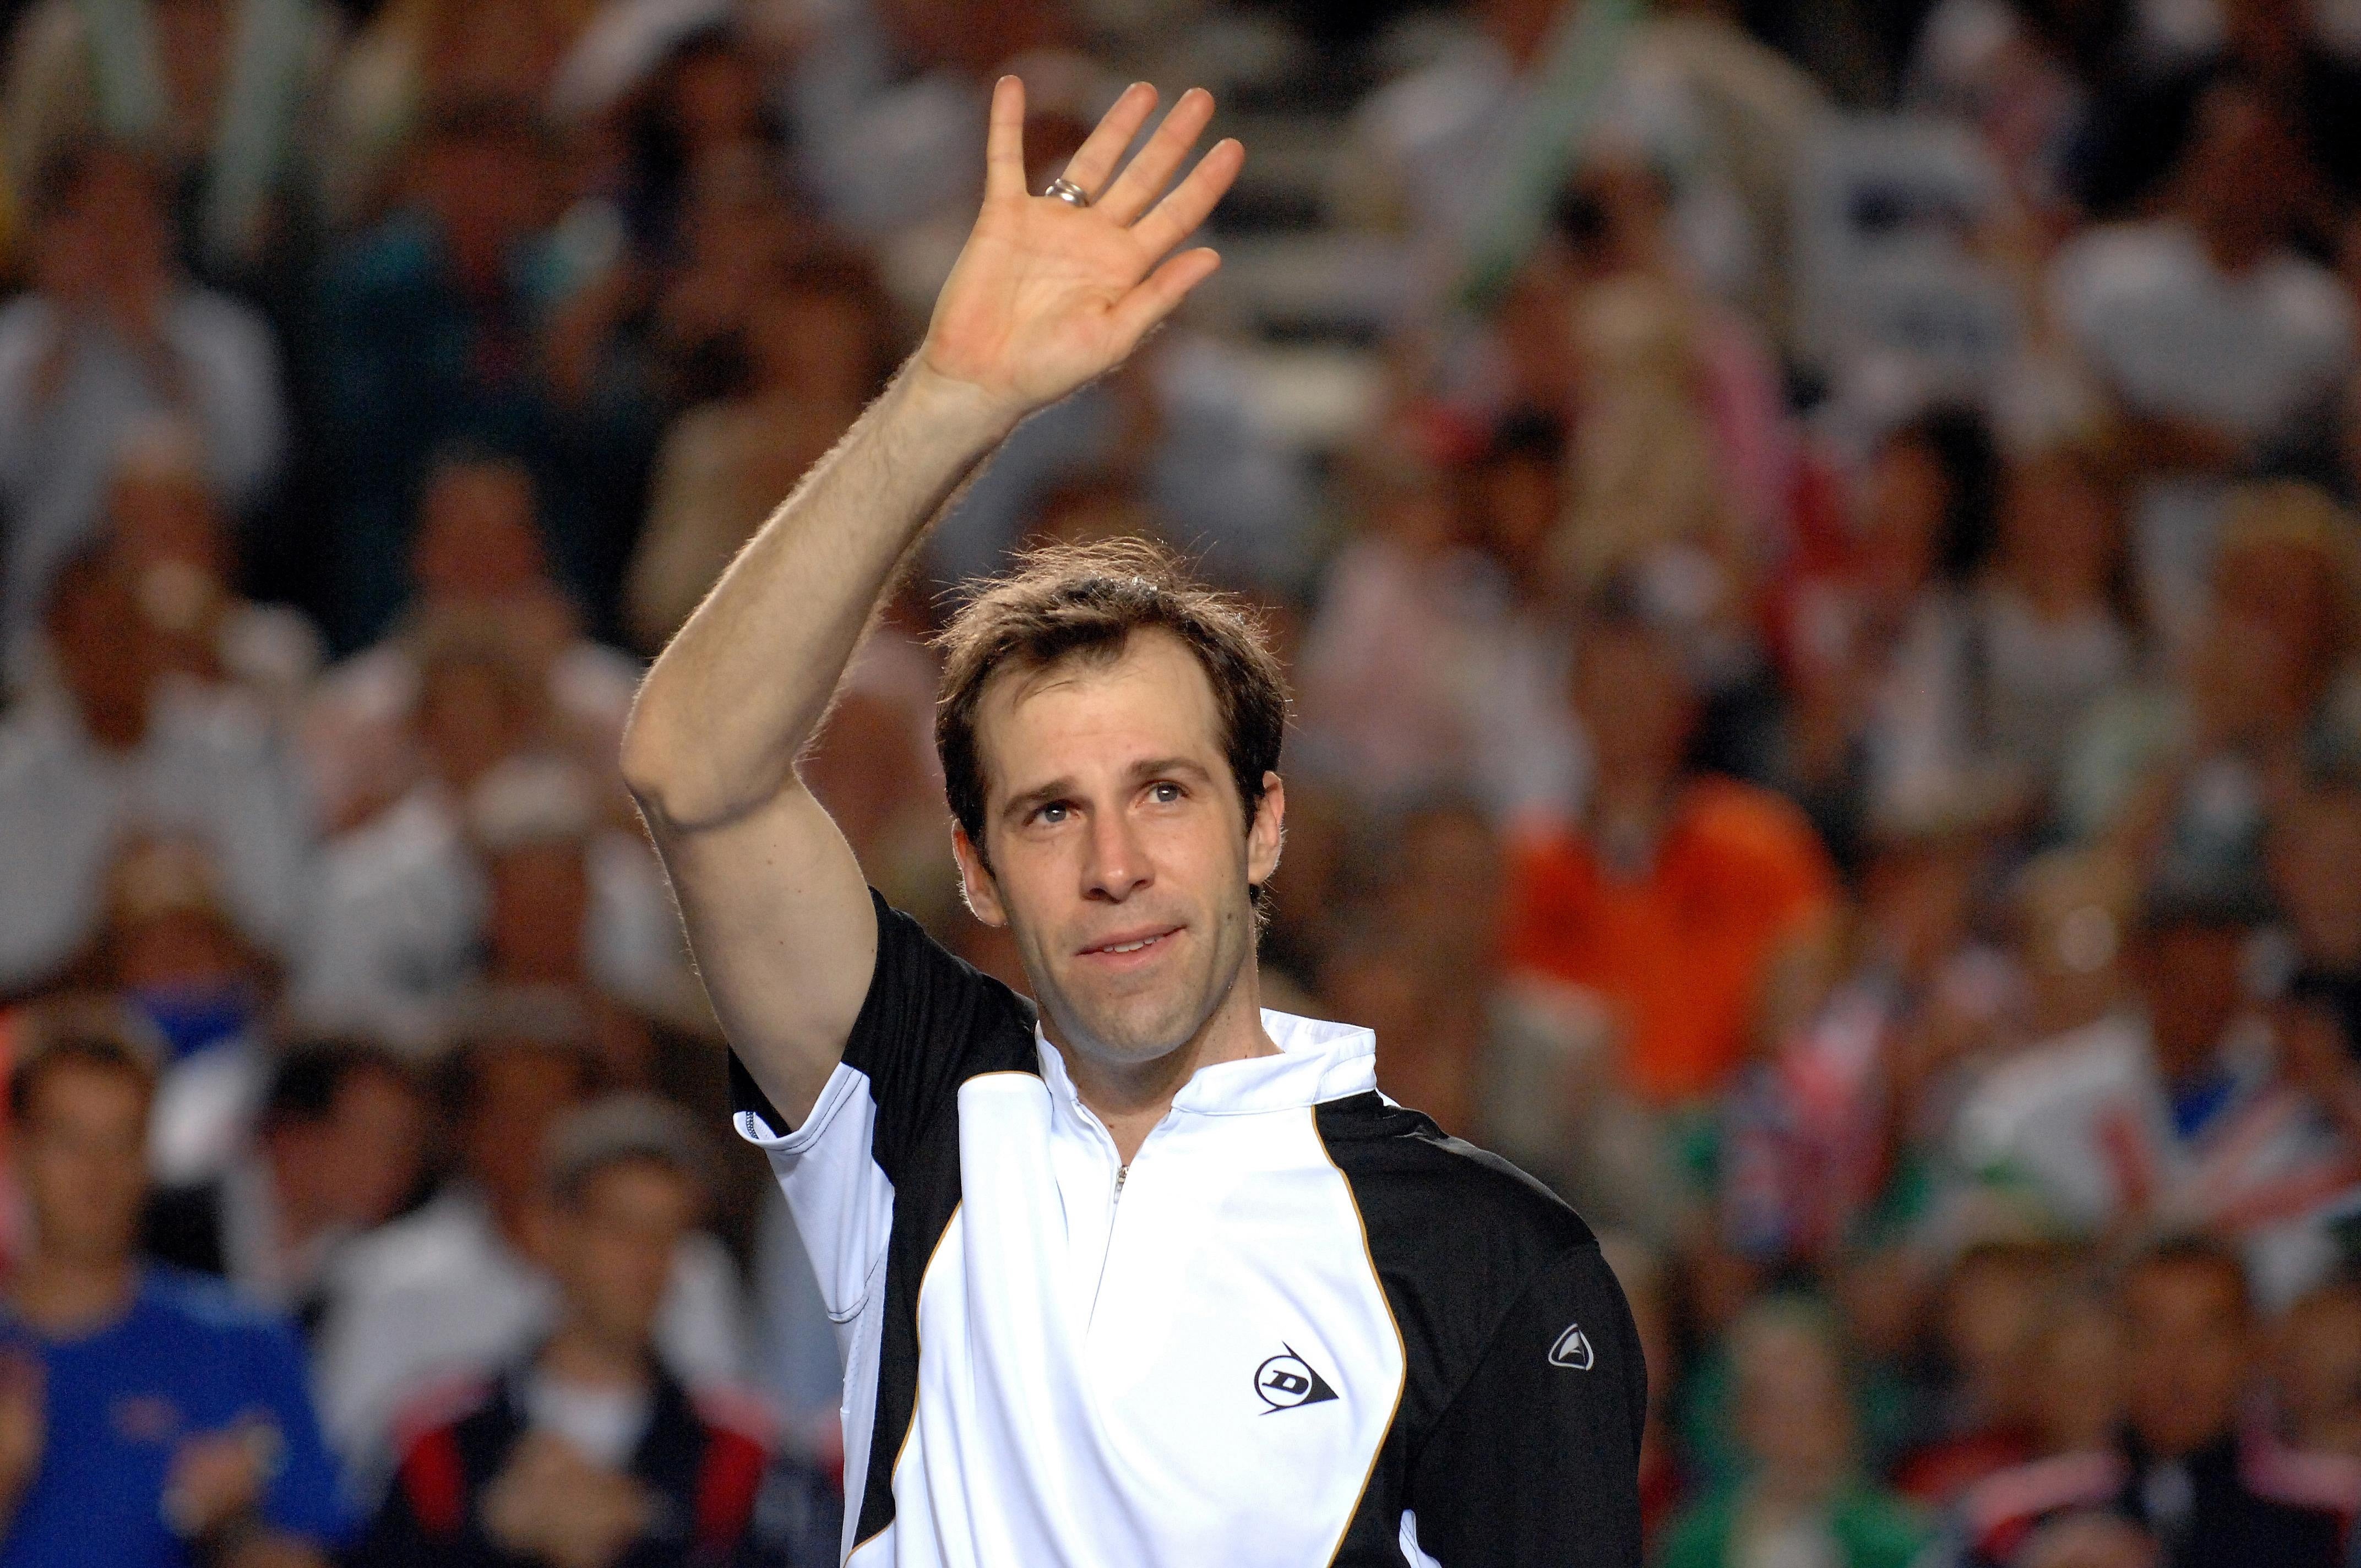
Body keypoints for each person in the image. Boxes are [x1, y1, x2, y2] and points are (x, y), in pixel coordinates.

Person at [622, 75, 1647, 1567]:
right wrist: (949, 402)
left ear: (1264, 830)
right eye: (1049, 813)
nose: (1113, 866)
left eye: (1164, 792)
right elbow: (693, 769)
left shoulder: (1491, 1261)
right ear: (973, 867)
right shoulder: (917, 1112)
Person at [351, 1096, 826, 1567]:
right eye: (620, 1228)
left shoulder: (743, 1458)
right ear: (548, 1232)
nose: (645, 1260)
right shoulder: (440, 1446)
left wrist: (646, 1530)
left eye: (668, 1234)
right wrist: (487, 1534)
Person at [311, 1024, 747, 1494]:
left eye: (555, 1107)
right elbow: (351, 1481)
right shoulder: (391, 1288)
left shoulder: (701, 1278)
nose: (535, 1130)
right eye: (512, 1111)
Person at [0, 1003, 347, 1567]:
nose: (96, 1172)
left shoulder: (245, 1345)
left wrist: (234, 1527)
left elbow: (313, 1548)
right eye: (67, 1139)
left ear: (152, 1155)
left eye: (121, 1140)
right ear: (18, 1151)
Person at [144, 1038, 427, 1338]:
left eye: (406, 1144)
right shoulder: (154, 1229)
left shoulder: (374, 1272)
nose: (395, 1165)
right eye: (371, 1140)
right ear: (291, 1133)